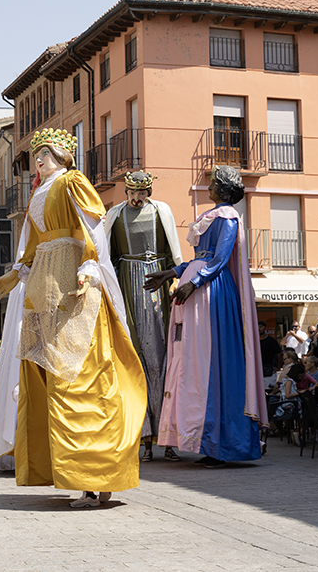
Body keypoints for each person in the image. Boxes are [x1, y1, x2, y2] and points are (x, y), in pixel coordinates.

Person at [0, 128, 147, 508]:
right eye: (36, 155)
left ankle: (95, 475)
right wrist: (18, 272)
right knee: (45, 376)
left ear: (64, 156)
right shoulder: (38, 193)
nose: (39, 161)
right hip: (42, 287)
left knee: (77, 375)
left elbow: (94, 231)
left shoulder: (72, 182)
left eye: (46, 154)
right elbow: (33, 242)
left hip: (70, 284)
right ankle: (65, 471)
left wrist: (91, 268)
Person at [146, 166, 267, 468]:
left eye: (214, 183)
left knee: (210, 365)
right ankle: (205, 440)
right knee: (194, 364)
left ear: (225, 191)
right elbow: (201, 258)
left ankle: (220, 443)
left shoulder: (227, 217)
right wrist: (173, 273)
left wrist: (194, 282)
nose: (208, 186)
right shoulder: (214, 216)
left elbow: (220, 258)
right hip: (197, 292)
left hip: (211, 294)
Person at [104, 170, 183, 462]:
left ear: (149, 191)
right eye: (132, 193)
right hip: (128, 285)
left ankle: (168, 437)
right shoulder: (114, 215)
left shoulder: (162, 211)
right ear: (126, 191)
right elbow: (109, 257)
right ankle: (143, 436)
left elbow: (174, 253)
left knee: (163, 358)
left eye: (142, 193)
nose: (137, 198)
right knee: (135, 355)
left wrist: (173, 278)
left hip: (157, 285)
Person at [258, 324, 283, 391]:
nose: (259, 328)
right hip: (257, 369)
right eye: (257, 327)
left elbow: (279, 353)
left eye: (261, 326)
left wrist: (278, 366)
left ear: (265, 328)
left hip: (269, 370)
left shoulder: (271, 340)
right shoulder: (254, 340)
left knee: (268, 390)